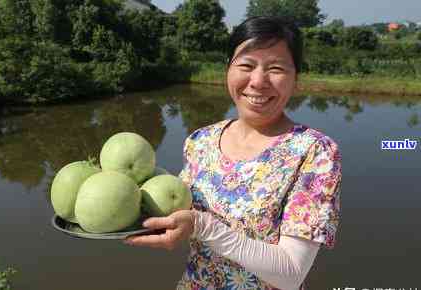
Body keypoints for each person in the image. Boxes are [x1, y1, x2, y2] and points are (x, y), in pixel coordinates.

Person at [124, 16, 342, 290]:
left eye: (276, 68)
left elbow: (291, 273)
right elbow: (176, 211)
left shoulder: (315, 152)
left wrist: (203, 226)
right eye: (246, 65)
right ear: (228, 70)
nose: (258, 81)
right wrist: (122, 200)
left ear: (296, 79)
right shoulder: (200, 141)